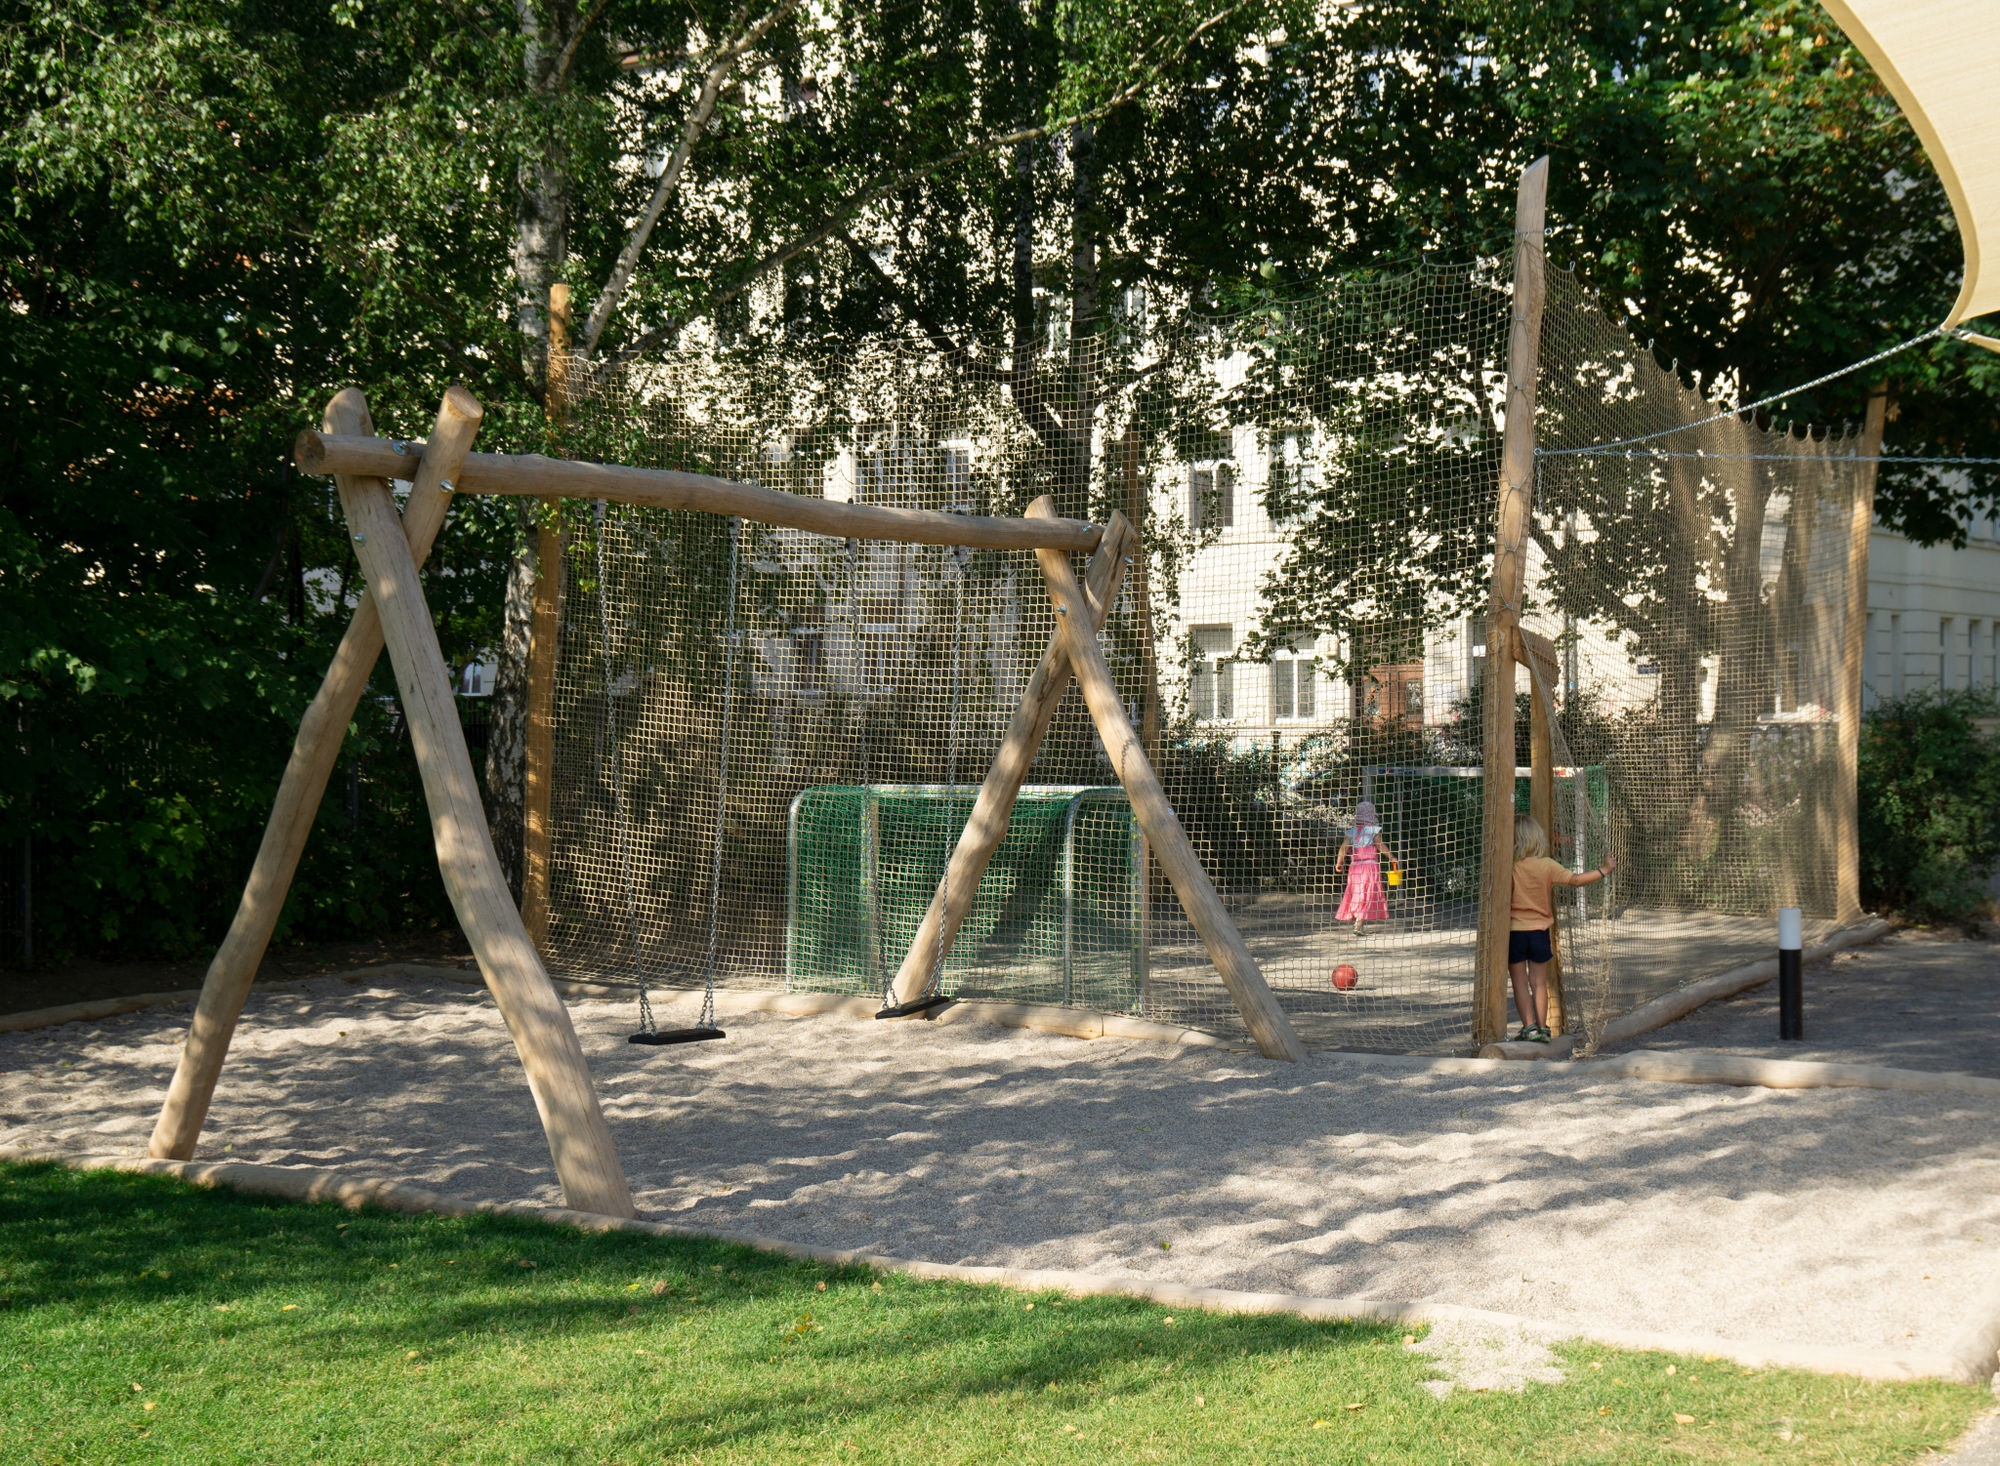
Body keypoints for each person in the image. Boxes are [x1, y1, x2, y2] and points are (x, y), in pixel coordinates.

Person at [1509, 813, 1615, 1042]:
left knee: (1519, 981)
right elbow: (1575, 879)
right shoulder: (1547, 865)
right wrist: (1603, 870)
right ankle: (1543, 1027)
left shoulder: (1510, 868)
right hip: (1539, 932)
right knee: (1538, 982)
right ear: (1536, 838)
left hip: (1515, 931)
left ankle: (1530, 1028)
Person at [1334, 799, 1400, 937]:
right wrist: (1392, 857)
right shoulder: (1373, 831)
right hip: (1370, 867)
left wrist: (1339, 862)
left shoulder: (1351, 833)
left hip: (1355, 868)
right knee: (1368, 893)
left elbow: (1343, 848)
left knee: (1358, 893)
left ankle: (1358, 919)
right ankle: (1359, 921)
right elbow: (1381, 846)